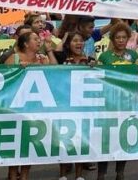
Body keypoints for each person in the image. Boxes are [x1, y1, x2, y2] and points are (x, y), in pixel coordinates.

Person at [96, 22, 138, 180]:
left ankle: (120, 172)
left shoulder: (133, 56)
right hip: (108, 103)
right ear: (112, 39)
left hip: (127, 103)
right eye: (117, 37)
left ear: (128, 39)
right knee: (105, 140)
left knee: (123, 138)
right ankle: (101, 174)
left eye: (124, 37)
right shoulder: (104, 57)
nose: (121, 40)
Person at [4, 31, 55, 180]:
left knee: (29, 142)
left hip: (35, 109)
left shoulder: (43, 59)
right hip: (15, 108)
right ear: (26, 44)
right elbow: (5, 79)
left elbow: (57, 71)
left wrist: (49, 49)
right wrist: (18, 69)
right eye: (35, 39)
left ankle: (25, 175)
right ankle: (12, 174)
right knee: (15, 142)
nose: (39, 42)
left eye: (39, 40)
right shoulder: (14, 58)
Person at [54, 32, 94, 180]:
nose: (79, 43)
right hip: (65, 106)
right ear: (68, 44)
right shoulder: (63, 59)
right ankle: (63, 175)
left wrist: (94, 67)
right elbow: (57, 51)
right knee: (64, 141)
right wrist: (64, 37)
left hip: (84, 108)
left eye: (81, 40)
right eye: (75, 41)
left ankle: (79, 175)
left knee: (81, 141)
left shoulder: (89, 60)